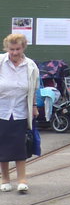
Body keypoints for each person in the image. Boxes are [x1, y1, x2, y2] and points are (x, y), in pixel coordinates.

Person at [0, 33, 40, 193]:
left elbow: (33, 88)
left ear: (23, 48)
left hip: (20, 111)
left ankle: (22, 180)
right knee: (2, 146)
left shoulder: (31, 66)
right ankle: (5, 179)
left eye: (17, 49)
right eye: (11, 49)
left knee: (20, 146)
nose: (14, 52)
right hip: (1, 111)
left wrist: (34, 106)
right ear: (6, 48)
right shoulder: (1, 62)